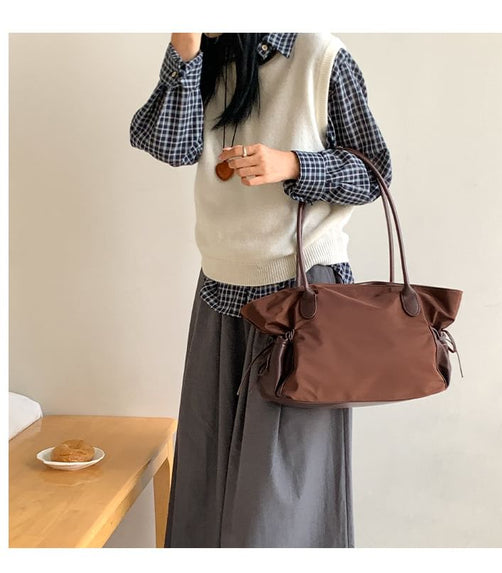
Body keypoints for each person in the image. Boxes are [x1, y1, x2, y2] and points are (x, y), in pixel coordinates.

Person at [130, 32, 392, 548]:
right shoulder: (205, 56)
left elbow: (374, 173)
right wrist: (185, 50)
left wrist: (294, 164)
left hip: (302, 295)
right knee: (205, 482)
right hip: (220, 289)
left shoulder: (320, 57)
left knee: (280, 501)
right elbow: (169, 145)